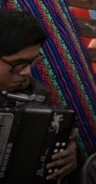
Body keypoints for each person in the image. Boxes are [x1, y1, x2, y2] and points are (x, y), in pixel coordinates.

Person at [0, 10, 79, 181]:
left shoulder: (37, 94)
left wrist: (67, 152)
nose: (27, 71)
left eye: (32, 62)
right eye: (18, 64)